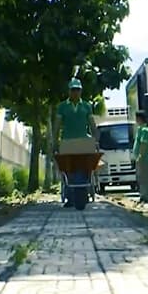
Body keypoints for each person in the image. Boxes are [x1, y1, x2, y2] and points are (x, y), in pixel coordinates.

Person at [53, 78, 98, 208]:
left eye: (78, 90)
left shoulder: (86, 106)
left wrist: (95, 139)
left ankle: (86, 190)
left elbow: (92, 124)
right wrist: (55, 141)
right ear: (69, 91)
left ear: (81, 91)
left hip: (83, 141)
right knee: (68, 170)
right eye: (73, 90)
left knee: (86, 167)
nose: (75, 92)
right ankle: (69, 196)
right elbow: (57, 125)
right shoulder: (62, 106)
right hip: (67, 141)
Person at [132, 110, 148, 204]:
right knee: (140, 178)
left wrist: (140, 155)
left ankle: (145, 197)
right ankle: (142, 195)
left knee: (144, 178)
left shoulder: (145, 130)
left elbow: (144, 144)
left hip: (144, 159)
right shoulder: (140, 129)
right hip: (140, 158)